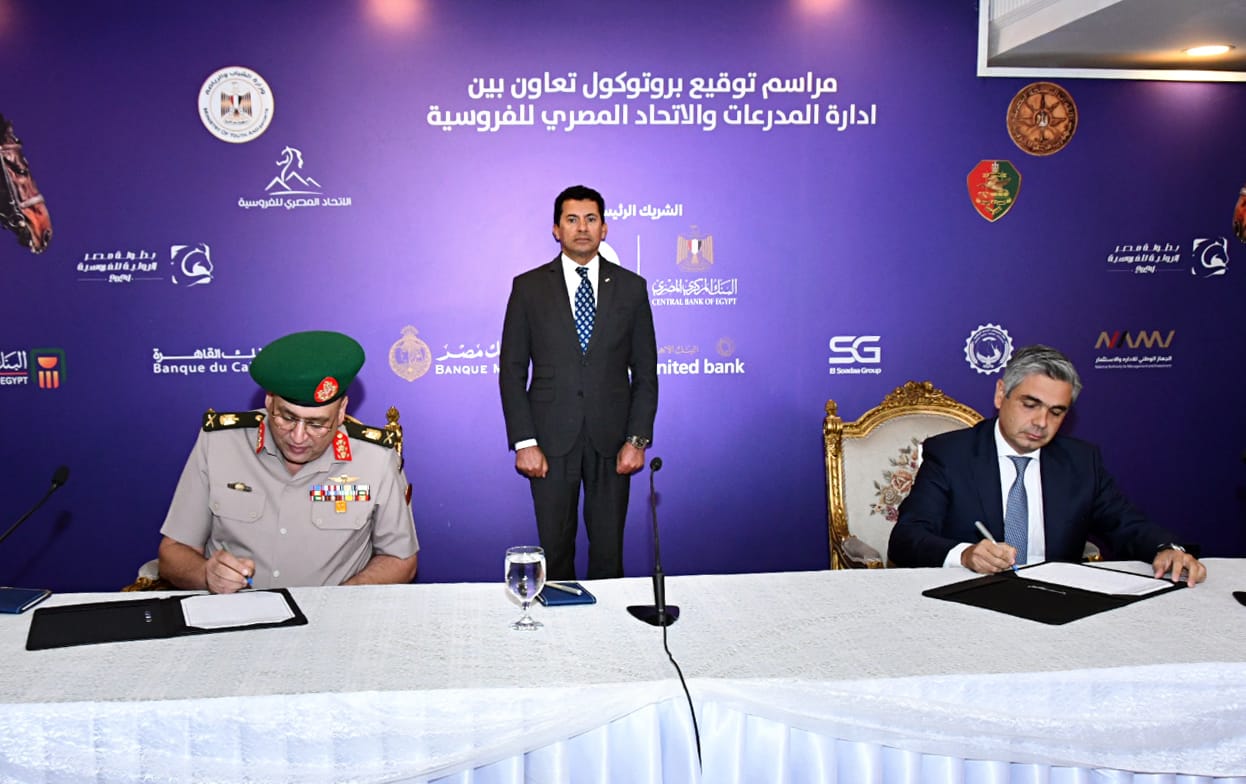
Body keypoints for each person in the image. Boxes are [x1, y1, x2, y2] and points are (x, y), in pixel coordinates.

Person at [888, 345, 1205, 586]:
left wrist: (1166, 548)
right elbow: (907, 538)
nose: (1041, 422)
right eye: (1030, 405)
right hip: (971, 596)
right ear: (1001, 394)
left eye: (1056, 412)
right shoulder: (951, 454)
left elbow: (1127, 524)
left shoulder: (1081, 462)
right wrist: (966, 554)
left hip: (1057, 602)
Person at [158, 330, 420, 593]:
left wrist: (343, 597)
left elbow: (400, 559)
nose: (298, 437)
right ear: (269, 401)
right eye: (287, 418)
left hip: (328, 616)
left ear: (341, 411)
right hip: (234, 612)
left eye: (317, 424)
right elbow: (173, 552)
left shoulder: (376, 458)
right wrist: (206, 574)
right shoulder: (219, 444)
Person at [499, 185, 658, 580]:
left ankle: (609, 623)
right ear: (557, 229)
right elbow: (512, 371)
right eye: (572, 219)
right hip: (549, 442)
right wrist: (525, 442)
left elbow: (645, 373)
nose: (582, 228)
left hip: (613, 442)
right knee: (554, 553)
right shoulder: (528, 287)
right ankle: (559, 619)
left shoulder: (632, 288)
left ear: (604, 228)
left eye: (590, 219)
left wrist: (637, 440)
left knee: (609, 553)